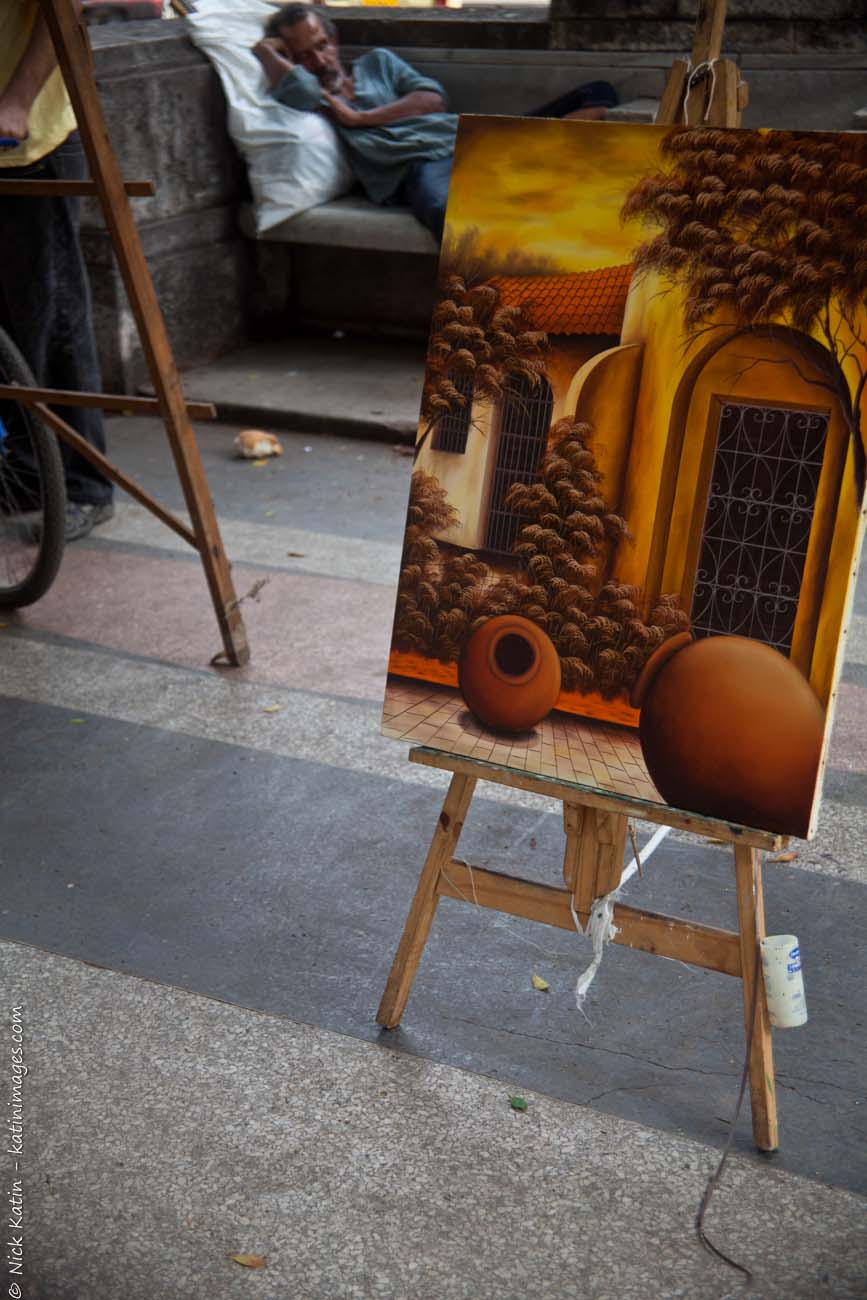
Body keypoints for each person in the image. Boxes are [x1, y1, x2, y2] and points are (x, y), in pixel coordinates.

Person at [252, 6, 617, 242]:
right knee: (449, 215)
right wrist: (265, 51)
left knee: (597, 92)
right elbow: (297, 88)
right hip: (421, 167)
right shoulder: (315, 96)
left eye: (322, 45)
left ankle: (547, 156)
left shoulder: (377, 63)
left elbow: (432, 100)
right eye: (304, 56)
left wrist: (362, 117)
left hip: (471, 136)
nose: (320, 60)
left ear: (333, 38)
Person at [0, 0, 114, 542]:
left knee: (56, 320)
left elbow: (65, 7)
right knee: (11, 334)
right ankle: (28, 473)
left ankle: (85, 484)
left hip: (29, 144)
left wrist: (16, 102)